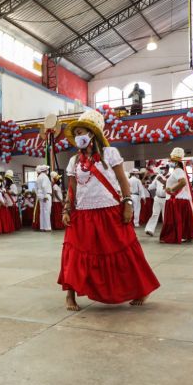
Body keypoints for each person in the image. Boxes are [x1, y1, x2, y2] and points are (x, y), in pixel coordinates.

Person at [59, 109, 159, 311]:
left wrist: (128, 204)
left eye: (82, 132)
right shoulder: (74, 161)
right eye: (76, 133)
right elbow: (72, 187)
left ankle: (142, 289)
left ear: (93, 134)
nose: (79, 137)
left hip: (111, 211)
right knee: (75, 252)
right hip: (83, 214)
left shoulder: (110, 153)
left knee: (124, 250)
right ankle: (70, 295)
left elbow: (123, 180)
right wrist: (67, 209)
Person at [160, 148, 193, 243]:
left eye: (172, 161)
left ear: (176, 162)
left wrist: (172, 189)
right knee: (179, 219)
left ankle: (178, 235)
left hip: (176, 199)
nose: (170, 162)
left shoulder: (178, 170)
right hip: (178, 199)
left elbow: (183, 182)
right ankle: (183, 235)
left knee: (175, 220)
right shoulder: (177, 171)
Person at [144, 170, 167, 236]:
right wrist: (148, 185)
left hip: (165, 198)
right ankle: (149, 229)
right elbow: (151, 187)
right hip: (157, 198)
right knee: (155, 214)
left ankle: (166, 231)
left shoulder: (169, 177)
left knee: (165, 215)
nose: (163, 172)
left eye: (165, 169)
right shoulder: (157, 177)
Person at [35, 165, 52, 232]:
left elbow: (36, 188)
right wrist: (45, 196)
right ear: (45, 170)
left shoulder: (39, 177)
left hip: (40, 195)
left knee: (42, 212)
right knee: (47, 211)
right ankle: (47, 227)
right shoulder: (45, 177)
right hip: (46, 195)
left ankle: (42, 227)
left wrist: (38, 195)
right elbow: (44, 186)